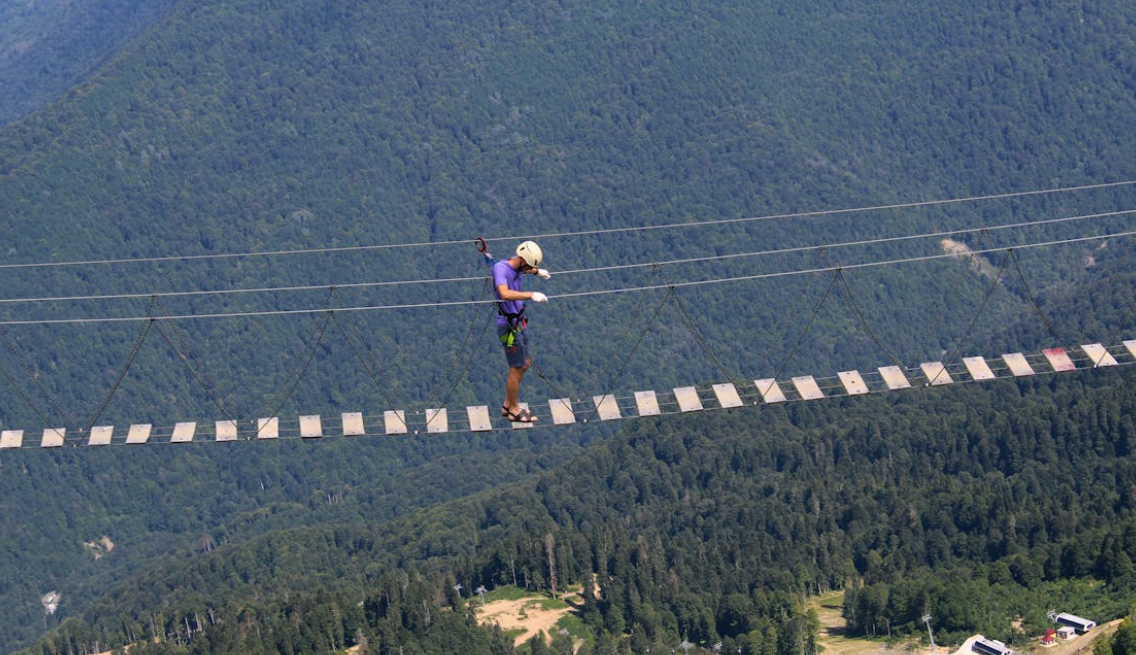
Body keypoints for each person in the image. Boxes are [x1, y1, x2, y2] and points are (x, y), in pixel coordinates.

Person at [493, 240, 550, 423]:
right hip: (508, 326)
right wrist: (531, 294)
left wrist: (537, 272)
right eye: (530, 265)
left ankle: (507, 405)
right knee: (516, 368)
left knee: (524, 364)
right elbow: (504, 293)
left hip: (518, 322)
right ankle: (514, 410)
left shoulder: (519, 266)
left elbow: (523, 269)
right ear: (523, 260)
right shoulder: (500, 269)